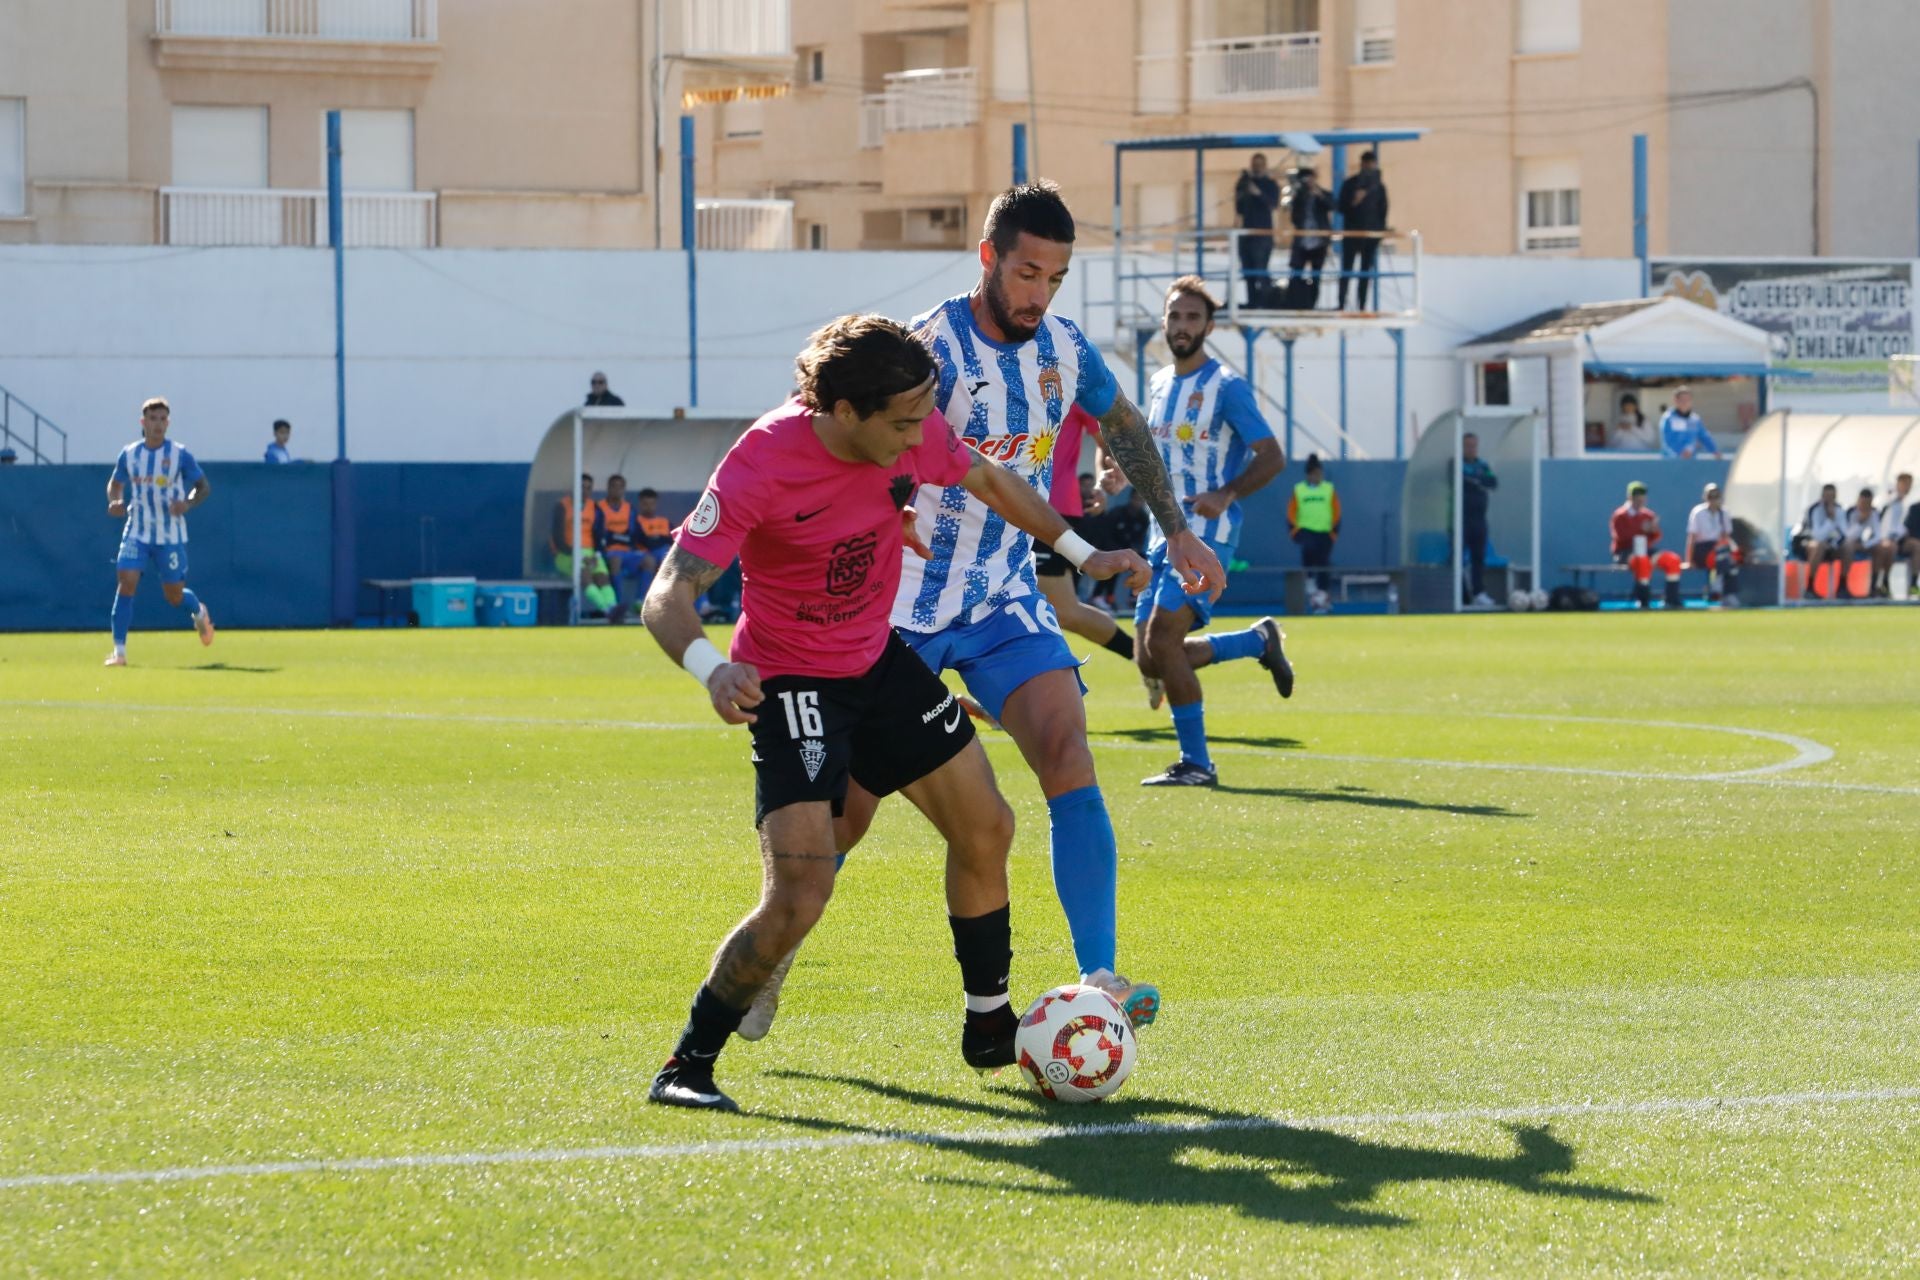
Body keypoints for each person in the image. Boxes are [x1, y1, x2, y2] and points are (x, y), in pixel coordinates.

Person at [748, 183, 1226, 1042]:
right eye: (1026, 272)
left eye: (1056, 277)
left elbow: (1123, 426)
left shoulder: (1067, 352)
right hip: (895, 607)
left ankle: (1099, 976)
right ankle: (771, 952)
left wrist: (1178, 529)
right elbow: (842, 437)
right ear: (988, 259)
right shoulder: (925, 350)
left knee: (1065, 746)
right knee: (848, 812)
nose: (1039, 294)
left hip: (1004, 594)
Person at [640, 313, 1146, 1111]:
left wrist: (1083, 554)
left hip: (877, 660)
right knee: (800, 896)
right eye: (905, 422)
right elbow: (667, 593)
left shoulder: (910, 435)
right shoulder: (761, 461)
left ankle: (989, 1027)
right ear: (846, 413)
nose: (922, 437)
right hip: (793, 685)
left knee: (987, 827)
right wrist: (711, 667)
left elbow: (983, 476)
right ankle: (687, 1065)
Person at [1130, 275, 1290, 787]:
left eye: (1193, 318)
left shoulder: (1225, 386)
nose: (1182, 326)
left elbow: (1272, 456)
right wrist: (1117, 474)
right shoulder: (1156, 384)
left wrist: (1226, 494)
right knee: (1149, 656)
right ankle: (1256, 642)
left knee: (1163, 638)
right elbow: (1153, 453)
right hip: (1160, 532)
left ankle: (1198, 763)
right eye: (1175, 316)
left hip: (1204, 532)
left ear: (1209, 326)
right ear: (1164, 322)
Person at [104, 397, 216, 666]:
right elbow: (115, 484)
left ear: (168, 422)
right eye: (153, 419)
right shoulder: (130, 454)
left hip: (170, 535)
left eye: (163, 419)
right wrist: (115, 502)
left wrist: (186, 503)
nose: (158, 424)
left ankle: (198, 611)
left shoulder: (179, 454)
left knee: (174, 595)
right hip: (137, 531)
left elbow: (203, 487)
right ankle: (119, 651)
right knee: (126, 581)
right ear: (143, 423)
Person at [1033, 406, 1139, 668]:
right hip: (992, 506)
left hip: (1051, 511)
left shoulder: (1066, 377)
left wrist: (1102, 480)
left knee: (1063, 611)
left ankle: (1146, 660)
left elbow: (1105, 441)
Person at [550, 472, 617, 617]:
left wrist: (596, 555)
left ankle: (613, 607)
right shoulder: (562, 506)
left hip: (590, 553)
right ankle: (607, 610)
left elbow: (599, 536)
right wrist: (578, 555)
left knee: (602, 577)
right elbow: (558, 539)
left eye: (588, 488)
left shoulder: (595, 508)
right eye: (582, 487)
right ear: (574, 488)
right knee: (585, 575)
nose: (585, 491)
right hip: (566, 554)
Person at [1611, 480, 1682, 609]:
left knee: (1672, 560)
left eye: (1642, 497)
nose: (1639, 500)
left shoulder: (1648, 515)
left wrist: (1653, 530)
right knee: (1642, 562)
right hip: (1625, 552)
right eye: (1636, 497)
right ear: (1629, 497)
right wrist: (1641, 529)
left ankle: (1671, 599)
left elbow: (1655, 537)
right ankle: (1644, 600)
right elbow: (1621, 537)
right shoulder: (1620, 515)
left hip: (1645, 549)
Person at [1336, 150, 1388, 311]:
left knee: (1365, 272)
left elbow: (1383, 211)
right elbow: (1341, 207)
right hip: (1352, 234)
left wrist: (1378, 233)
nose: (1369, 166)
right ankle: (1341, 304)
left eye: (1371, 163)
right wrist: (1354, 201)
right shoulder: (1351, 184)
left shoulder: (1379, 188)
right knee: (1347, 270)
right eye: (1366, 163)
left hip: (1370, 236)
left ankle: (1362, 305)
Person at [594, 473, 646, 622]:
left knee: (648, 561)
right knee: (615, 561)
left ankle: (640, 601)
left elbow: (633, 534)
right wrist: (616, 537)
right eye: (614, 486)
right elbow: (600, 533)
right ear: (608, 488)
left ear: (624, 489)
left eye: (620, 487)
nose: (617, 490)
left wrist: (615, 535)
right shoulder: (600, 507)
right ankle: (617, 605)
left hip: (627, 552)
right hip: (608, 552)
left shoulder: (629, 509)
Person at [1233, 152, 1281, 309]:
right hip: (1246, 233)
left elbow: (1273, 204)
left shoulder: (1270, 184)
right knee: (1248, 272)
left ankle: (1265, 302)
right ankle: (1252, 302)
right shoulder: (1245, 183)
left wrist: (1258, 193)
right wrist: (1243, 189)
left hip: (1263, 235)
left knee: (1261, 270)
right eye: (1255, 164)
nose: (1257, 168)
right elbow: (1239, 208)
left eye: (1260, 165)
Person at [1289, 453, 1340, 598]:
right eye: (1314, 474)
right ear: (1308, 475)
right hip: (1306, 529)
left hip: (1324, 531)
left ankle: (1323, 593)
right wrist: (1294, 530)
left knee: (1324, 562)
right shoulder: (1299, 489)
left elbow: (1336, 510)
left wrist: (1334, 531)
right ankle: (1309, 580)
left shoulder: (1328, 489)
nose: (1317, 477)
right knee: (1308, 551)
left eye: (1319, 474)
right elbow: (1291, 511)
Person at [1283, 166, 1333, 310]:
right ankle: (1295, 303)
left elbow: (1332, 205)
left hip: (1319, 243)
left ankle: (1312, 304)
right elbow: (1294, 218)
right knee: (1296, 274)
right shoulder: (1299, 196)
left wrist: (1318, 194)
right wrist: (1301, 197)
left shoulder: (1323, 193)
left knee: (1316, 276)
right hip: (1302, 242)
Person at [1458, 432, 1497, 607]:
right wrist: (1477, 481)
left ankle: (1479, 592)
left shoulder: (1483, 465)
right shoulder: (1456, 464)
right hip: (1460, 519)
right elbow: (1461, 482)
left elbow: (1492, 482)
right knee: (1457, 557)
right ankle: (1460, 594)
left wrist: (1476, 480)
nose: (1471, 449)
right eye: (1467, 446)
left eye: (1473, 446)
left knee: (1478, 557)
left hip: (1479, 519)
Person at [1684, 482, 1741, 604]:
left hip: (1718, 549)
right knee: (1722, 557)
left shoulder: (1724, 513)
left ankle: (1727, 593)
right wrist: (1689, 561)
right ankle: (1716, 590)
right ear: (1705, 497)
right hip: (1702, 550)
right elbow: (1692, 538)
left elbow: (1726, 536)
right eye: (1711, 497)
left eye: (1716, 496)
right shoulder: (1698, 512)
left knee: (1730, 561)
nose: (1713, 500)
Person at [1794, 483, 1847, 599]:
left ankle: (1843, 586)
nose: (1829, 500)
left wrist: (1834, 543)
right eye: (1826, 496)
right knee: (1819, 546)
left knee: (1848, 547)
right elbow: (1817, 535)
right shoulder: (1815, 510)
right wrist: (1830, 520)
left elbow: (1844, 533)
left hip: (1830, 546)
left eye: (1832, 497)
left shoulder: (1839, 510)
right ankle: (1809, 586)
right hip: (1806, 543)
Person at [1842, 487, 1885, 598]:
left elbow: (1878, 535)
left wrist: (1866, 545)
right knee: (1848, 546)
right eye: (1863, 502)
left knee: (1881, 548)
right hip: (1850, 544)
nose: (1866, 506)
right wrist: (1860, 522)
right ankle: (1843, 584)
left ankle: (1874, 586)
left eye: (1868, 503)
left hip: (1866, 544)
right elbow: (1847, 536)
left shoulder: (1874, 513)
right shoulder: (1850, 512)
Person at [1881, 472, 1919, 597]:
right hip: (1888, 538)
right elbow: (1888, 523)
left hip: (1900, 538)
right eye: (1905, 484)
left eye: (1909, 484)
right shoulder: (1892, 498)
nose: (1907, 487)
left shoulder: (1906, 502)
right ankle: (1884, 582)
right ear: (1899, 484)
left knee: (1917, 546)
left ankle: (1913, 584)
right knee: (1891, 547)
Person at [1659, 386, 1720, 459]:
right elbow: (1668, 441)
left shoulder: (1695, 419)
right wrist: (1681, 452)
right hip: (1671, 462)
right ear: (1675, 400)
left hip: (1691, 461)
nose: (1685, 402)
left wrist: (1714, 451)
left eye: (1688, 399)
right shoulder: (1668, 418)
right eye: (1682, 399)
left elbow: (1704, 437)